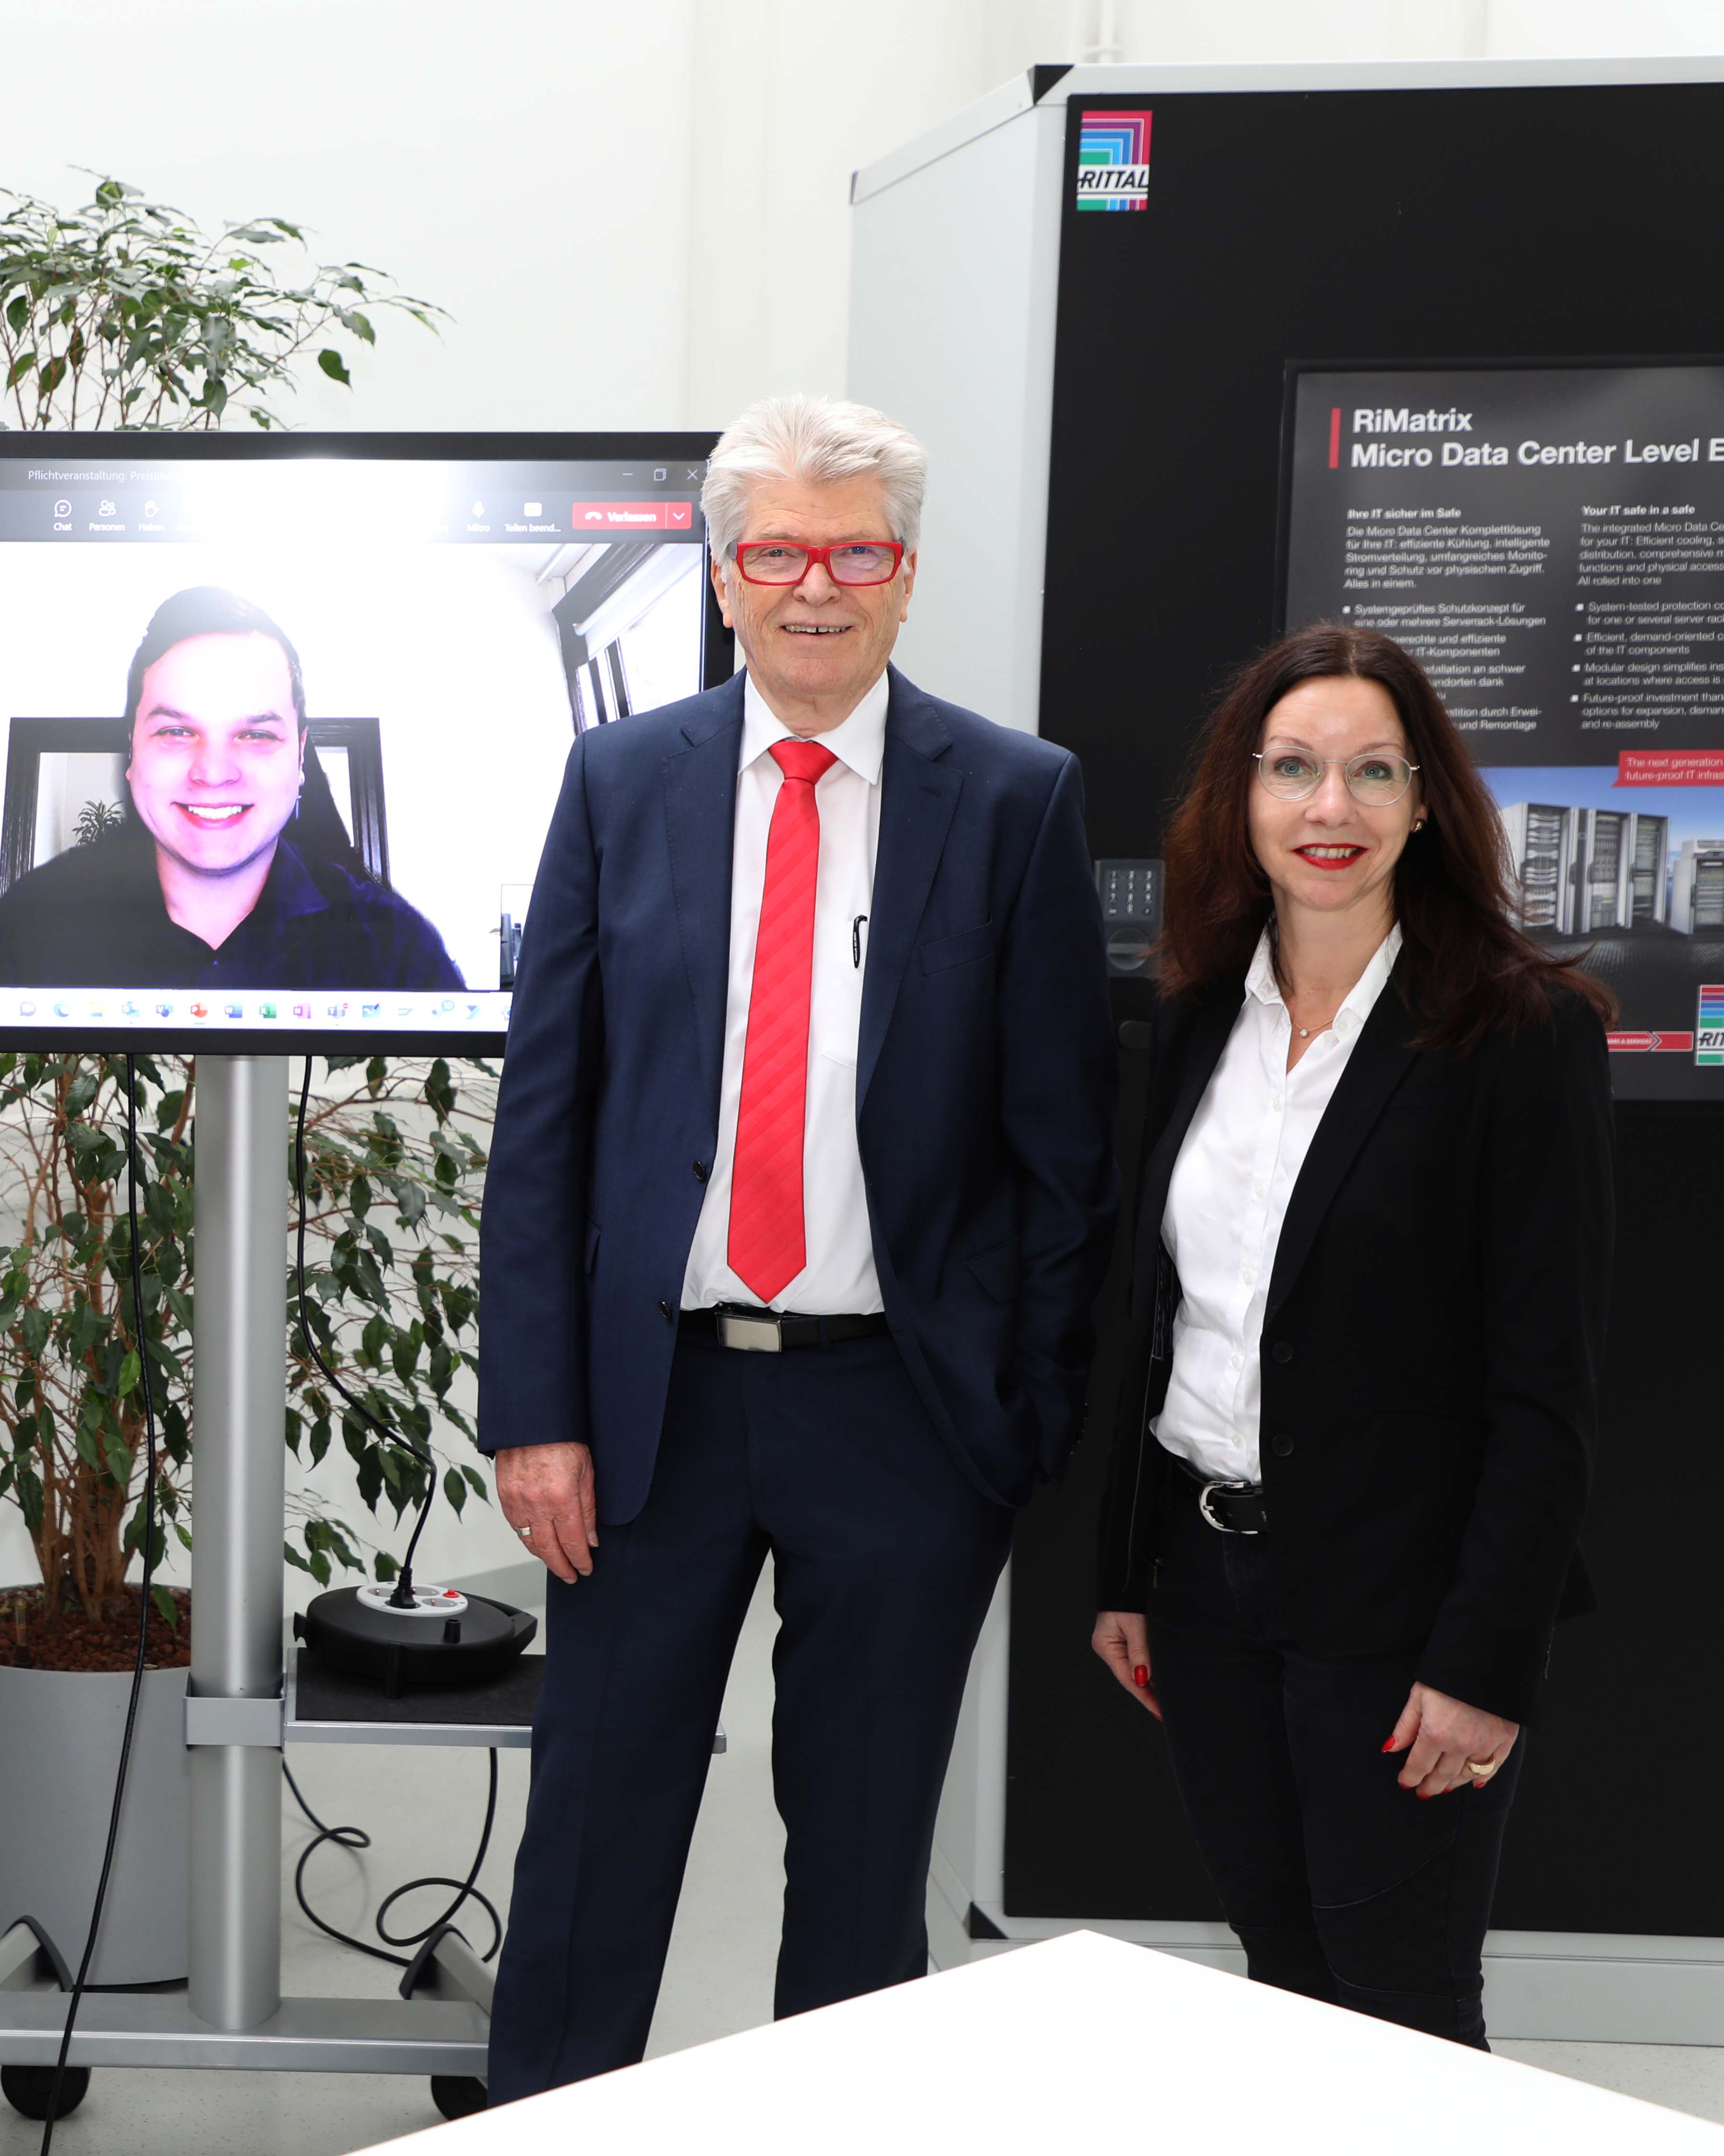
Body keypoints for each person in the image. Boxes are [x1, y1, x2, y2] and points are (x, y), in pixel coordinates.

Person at [476, 395, 1116, 2097]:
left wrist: (1016, 1419)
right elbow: (544, 1125)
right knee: (591, 1838)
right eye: (774, 553)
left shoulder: (1014, 799)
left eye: (852, 553)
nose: (813, 587)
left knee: (857, 1861)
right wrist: (534, 1410)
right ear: (722, 576)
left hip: (901, 1415)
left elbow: (1064, 1154)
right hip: (649, 1409)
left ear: (903, 575)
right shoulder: (620, 782)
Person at [1087, 623, 1613, 2046]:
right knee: (1285, 1981)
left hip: (1400, 1612)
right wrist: (1127, 1568)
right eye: (1293, 768)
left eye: (1373, 770)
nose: (1332, 806)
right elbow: (1166, 1320)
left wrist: (1483, 1662)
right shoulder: (1194, 1013)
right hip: (1203, 1594)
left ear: (1425, 801)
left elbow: (1545, 1392)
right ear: (1241, 795)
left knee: (1403, 2010)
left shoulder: (1518, 1032)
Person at [0, 586, 464, 990]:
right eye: (176, 732)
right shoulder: (33, 923)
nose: (213, 772)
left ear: (301, 756)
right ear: (131, 751)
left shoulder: (398, 948)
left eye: (256, 735)